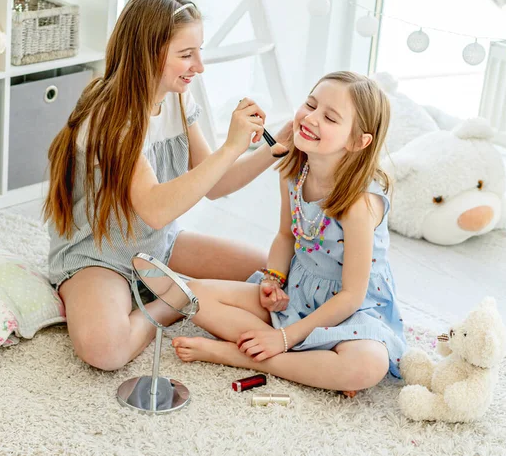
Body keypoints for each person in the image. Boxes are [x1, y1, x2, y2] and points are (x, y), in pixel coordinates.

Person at [42, 0, 290, 371]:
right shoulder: (111, 117)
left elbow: (216, 185)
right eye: (186, 55)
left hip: (158, 246)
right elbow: (155, 208)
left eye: (199, 52)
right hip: (101, 255)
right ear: (148, 53)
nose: (199, 66)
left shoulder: (175, 97)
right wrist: (230, 146)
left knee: (269, 273)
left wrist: (274, 149)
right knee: (105, 350)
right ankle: (176, 299)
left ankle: (175, 289)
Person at [173, 71, 407, 395]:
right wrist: (272, 279)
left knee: (368, 365)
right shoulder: (295, 170)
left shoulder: (358, 204)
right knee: (193, 294)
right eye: (310, 105)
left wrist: (282, 337)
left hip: (350, 309)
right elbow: (286, 236)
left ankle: (249, 358)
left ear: (357, 142)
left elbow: (352, 295)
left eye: (329, 117)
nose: (310, 118)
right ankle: (313, 362)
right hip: (299, 289)